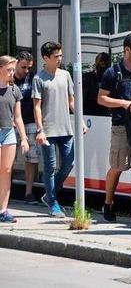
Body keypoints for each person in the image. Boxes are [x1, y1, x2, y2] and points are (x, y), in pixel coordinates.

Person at [97, 33, 131, 222]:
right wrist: (122, 103)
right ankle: (108, 202)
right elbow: (101, 98)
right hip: (120, 126)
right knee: (117, 167)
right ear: (126, 49)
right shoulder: (112, 72)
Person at [33, 41, 86, 218]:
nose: (60, 59)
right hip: (48, 130)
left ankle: (50, 194)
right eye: (56, 57)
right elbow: (37, 106)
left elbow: (72, 101)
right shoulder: (38, 78)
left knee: (69, 163)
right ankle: (53, 203)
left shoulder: (65, 75)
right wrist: (40, 130)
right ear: (45, 58)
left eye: (61, 56)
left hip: (66, 128)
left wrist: (80, 121)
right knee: (50, 167)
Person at [0, 56, 29, 223]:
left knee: (7, 171)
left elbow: (18, 118)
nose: (12, 73)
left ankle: (3, 210)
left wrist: (24, 138)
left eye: (13, 70)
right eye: (9, 69)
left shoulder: (14, 90)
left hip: (9, 133)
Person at [13, 51, 39, 205]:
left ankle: (29, 192)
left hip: (29, 121)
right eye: (23, 67)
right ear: (16, 63)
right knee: (7, 159)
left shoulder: (32, 77)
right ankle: (5, 191)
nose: (26, 71)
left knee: (32, 158)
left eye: (29, 67)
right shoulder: (8, 78)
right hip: (10, 121)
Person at [83, 52, 110, 116]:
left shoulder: (110, 78)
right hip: (89, 113)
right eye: (101, 63)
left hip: (104, 114)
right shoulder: (87, 78)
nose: (102, 66)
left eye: (104, 64)